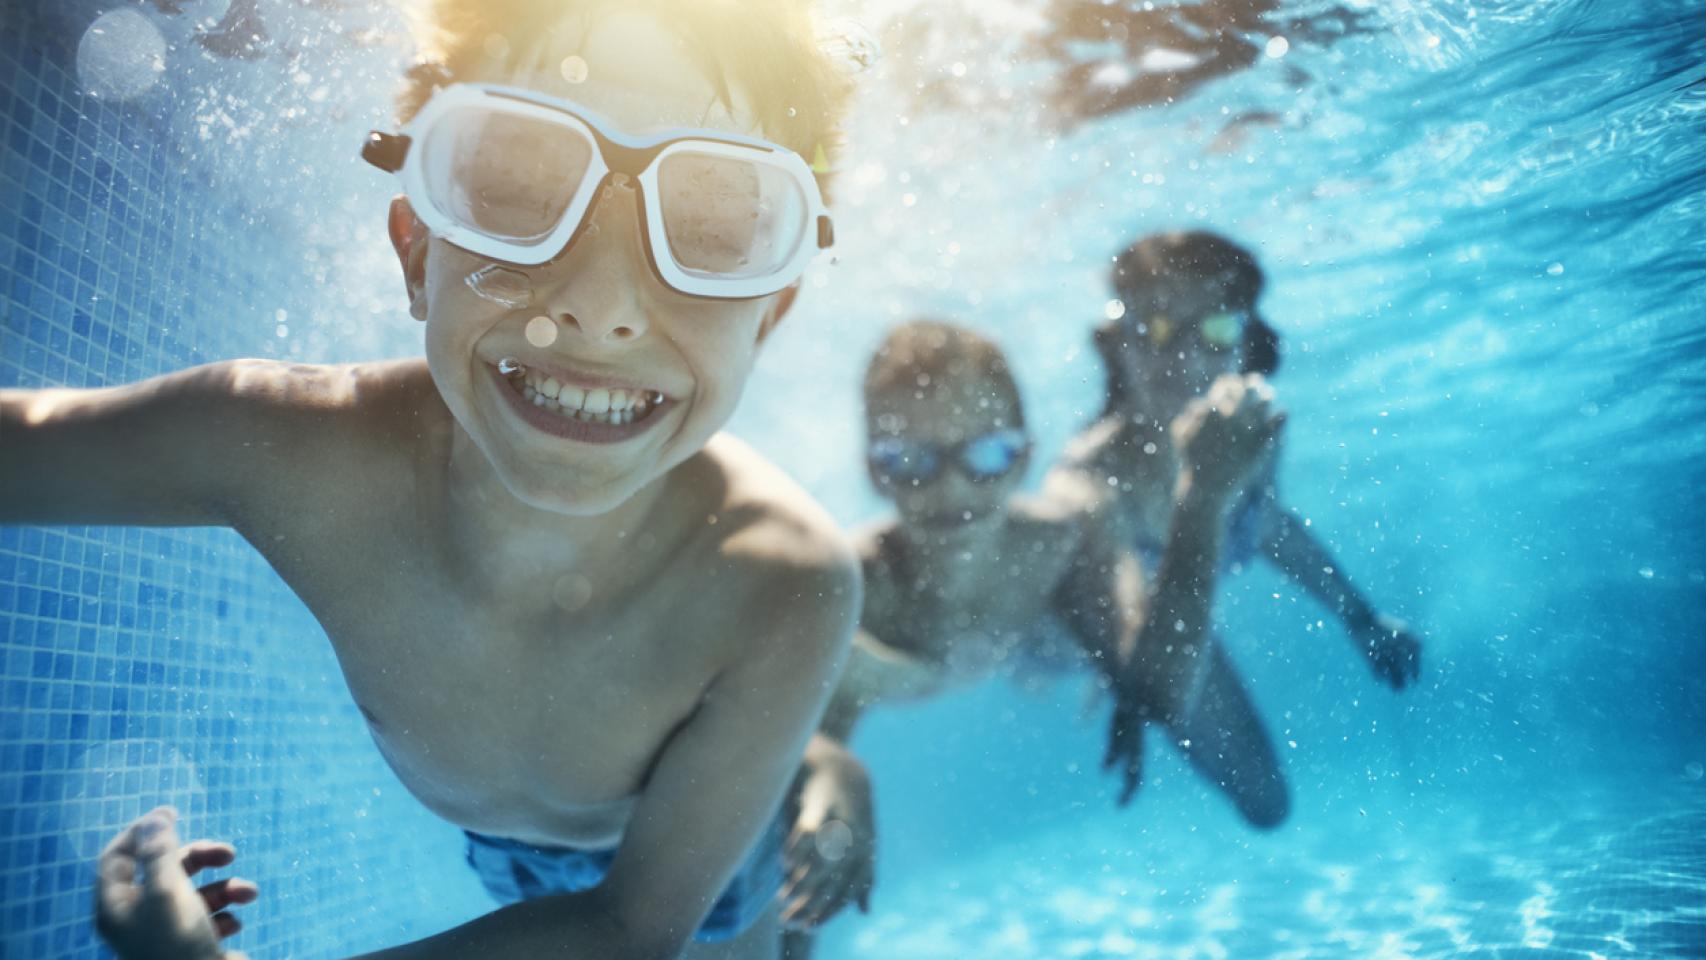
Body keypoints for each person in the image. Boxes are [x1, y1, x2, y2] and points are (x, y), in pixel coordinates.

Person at [2, 2, 863, 957]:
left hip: (704, 874)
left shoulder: (781, 579)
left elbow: (633, 927)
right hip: (509, 858)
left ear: (769, 315)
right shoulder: (296, 454)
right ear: (418, 250)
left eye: (710, 228)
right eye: (518, 189)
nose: (597, 307)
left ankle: (814, 778)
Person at [776, 320, 1283, 957]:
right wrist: (836, 788)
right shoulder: (852, 592)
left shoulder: (1061, 538)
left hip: (1052, 638)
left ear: (1024, 455)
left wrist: (1202, 498)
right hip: (994, 646)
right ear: (873, 473)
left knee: (1268, 801)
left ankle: (1106, 658)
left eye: (986, 455)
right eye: (910, 461)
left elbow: (1159, 692)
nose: (951, 489)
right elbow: (800, 774)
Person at [1047, 228, 1424, 830]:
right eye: (1159, 327)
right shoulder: (1092, 480)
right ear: (1120, 342)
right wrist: (1127, 680)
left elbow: (1269, 524)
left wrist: (1361, 617)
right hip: (1077, 641)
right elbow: (1129, 632)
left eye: (1216, 330)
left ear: (1246, 343)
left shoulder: (1245, 429)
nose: (1187, 356)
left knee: (1268, 804)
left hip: (1168, 623)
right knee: (1265, 802)